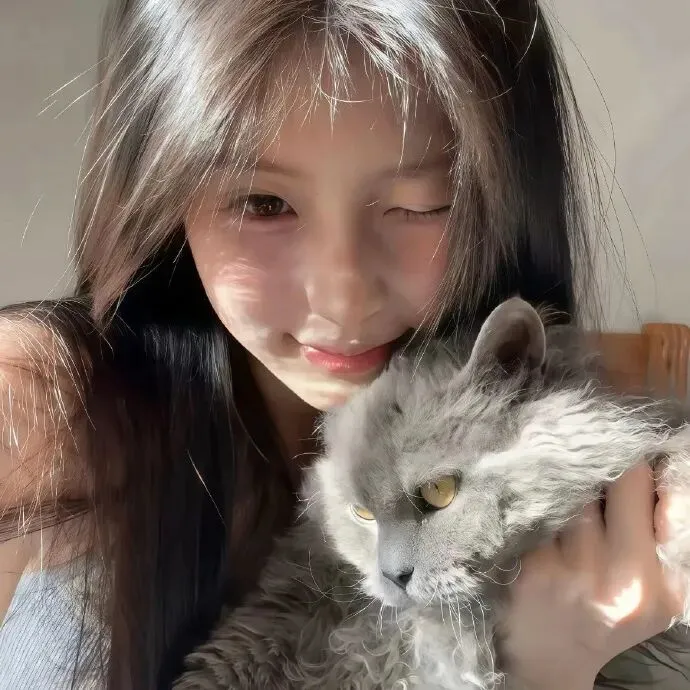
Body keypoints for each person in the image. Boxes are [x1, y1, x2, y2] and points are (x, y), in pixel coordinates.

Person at [0, 0, 686, 688]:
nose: (342, 299)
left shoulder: (610, 479)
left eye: (420, 203)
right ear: (163, 199)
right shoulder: (30, 406)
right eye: (264, 204)